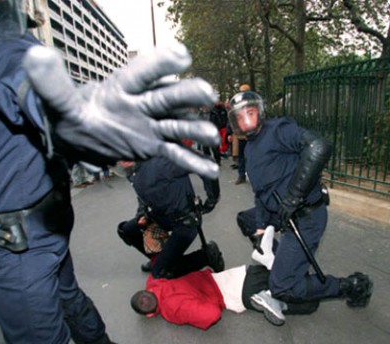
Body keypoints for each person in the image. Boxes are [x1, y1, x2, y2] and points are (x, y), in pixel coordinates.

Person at [0, 1, 220, 343]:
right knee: (69, 300)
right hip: (35, 222)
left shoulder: (2, 52)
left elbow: (44, 97)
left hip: (21, 238)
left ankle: (203, 258)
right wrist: (141, 217)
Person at [227, 90, 373, 310]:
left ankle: (350, 286)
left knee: (281, 288)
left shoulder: (278, 130)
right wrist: (259, 227)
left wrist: (294, 197)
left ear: (260, 112)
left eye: (250, 112)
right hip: (281, 213)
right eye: (240, 116)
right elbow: (261, 192)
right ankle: (284, 265)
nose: (245, 120)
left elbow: (319, 147)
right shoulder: (250, 147)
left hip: (306, 215)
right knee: (245, 219)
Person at [130, 226, 319, 329]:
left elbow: (212, 315)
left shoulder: (172, 308)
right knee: (290, 280)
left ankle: (279, 274)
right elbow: (157, 269)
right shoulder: (155, 283)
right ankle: (278, 258)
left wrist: (196, 303)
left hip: (239, 292)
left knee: (309, 303)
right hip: (236, 275)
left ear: (149, 314)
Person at [118, 157, 224, 279]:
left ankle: (206, 256)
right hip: (162, 214)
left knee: (160, 273)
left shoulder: (160, 162)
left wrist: (212, 199)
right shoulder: (130, 169)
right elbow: (141, 192)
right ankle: (159, 259)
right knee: (126, 230)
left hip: (185, 221)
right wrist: (142, 212)